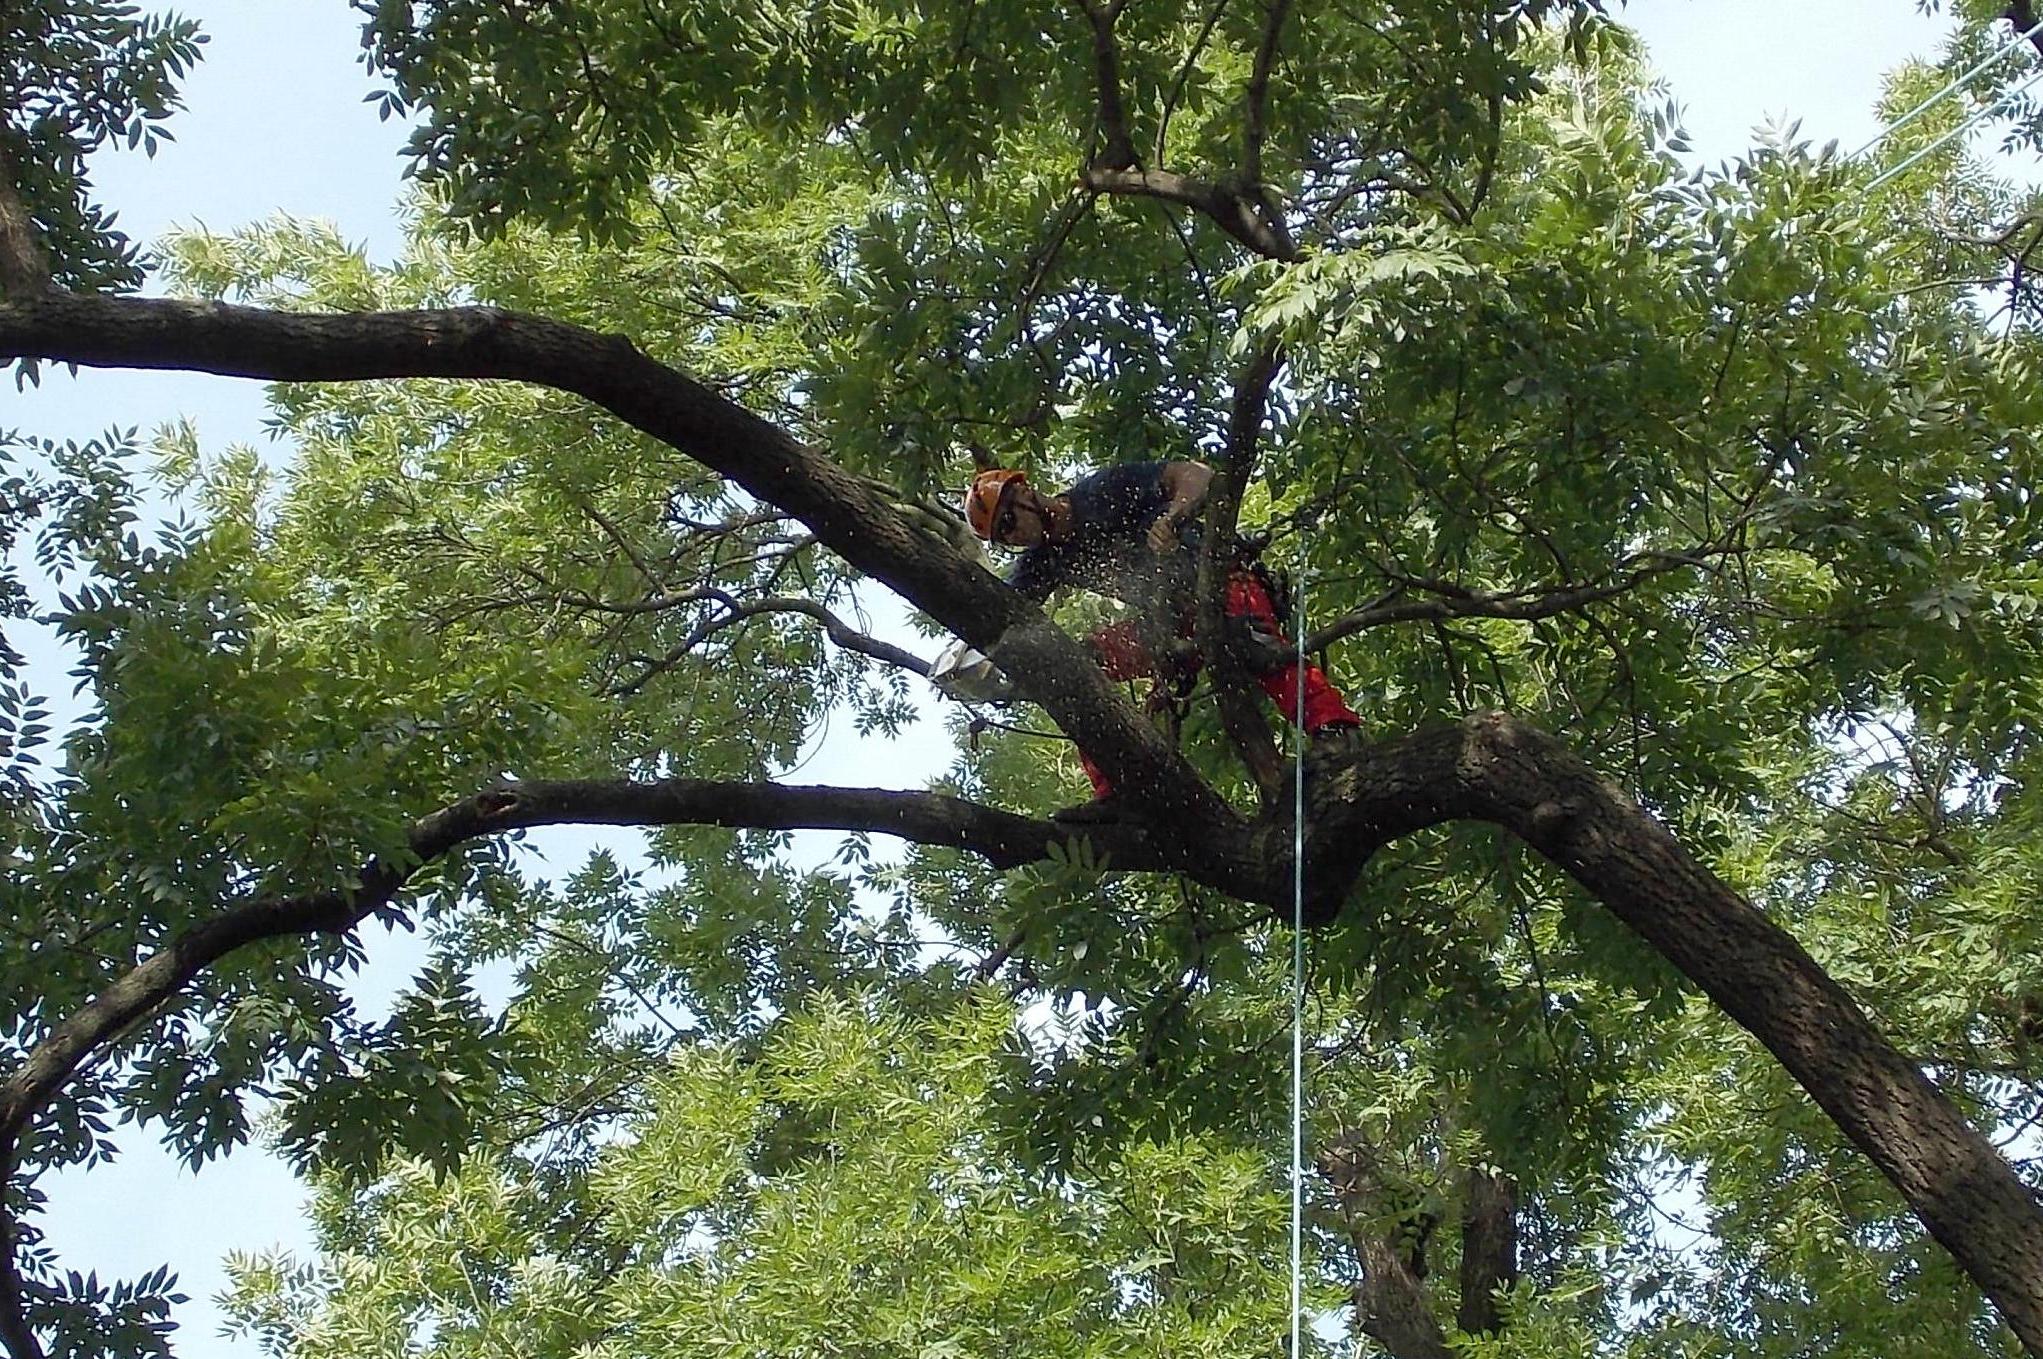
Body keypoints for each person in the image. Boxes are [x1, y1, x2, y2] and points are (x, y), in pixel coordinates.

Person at [963, 461, 1360, 811]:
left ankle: (1335, 733)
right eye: (1002, 538)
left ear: (1025, 493)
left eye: (1008, 522)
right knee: (1073, 668)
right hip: (1167, 623)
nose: (1012, 537)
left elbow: (1195, 475)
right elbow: (996, 610)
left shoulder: (1102, 491)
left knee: (1258, 648)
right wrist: (965, 662)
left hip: (1221, 582)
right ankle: (1116, 795)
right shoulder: (1041, 561)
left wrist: (1173, 516)